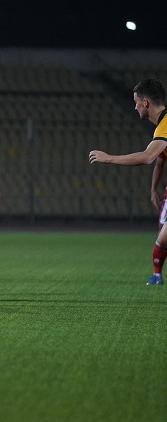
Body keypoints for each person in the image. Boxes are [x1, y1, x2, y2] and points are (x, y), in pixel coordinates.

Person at [89, 78, 167, 286]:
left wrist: (109, 158)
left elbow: (147, 157)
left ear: (146, 103)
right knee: (163, 237)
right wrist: (153, 188)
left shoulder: (165, 126)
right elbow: (159, 160)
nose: (134, 106)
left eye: (136, 102)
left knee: (163, 236)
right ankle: (157, 275)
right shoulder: (161, 129)